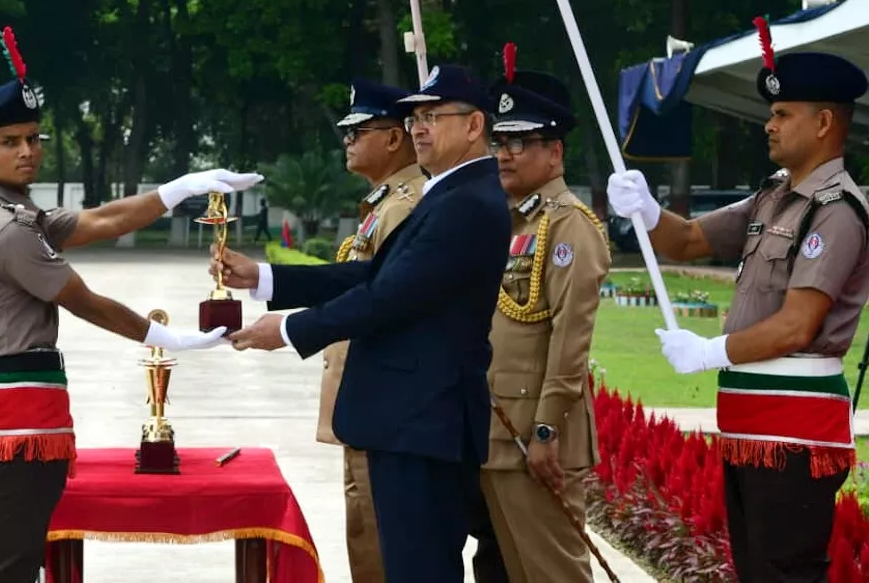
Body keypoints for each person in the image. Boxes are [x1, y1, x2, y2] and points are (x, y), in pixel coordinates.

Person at [0, 28, 263, 583]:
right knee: (10, 563)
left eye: (33, 137)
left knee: (12, 555)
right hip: (15, 410)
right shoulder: (0, 228)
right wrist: (168, 338)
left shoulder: (14, 211)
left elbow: (100, 221)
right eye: (9, 142)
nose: (27, 151)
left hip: (25, 403)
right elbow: (81, 300)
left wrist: (179, 188)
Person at [212, 63, 511, 582]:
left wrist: (287, 331)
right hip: (414, 420)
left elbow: (389, 296)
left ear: (474, 125)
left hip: (423, 419)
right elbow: (376, 271)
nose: (419, 127)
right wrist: (265, 279)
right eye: (416, 116)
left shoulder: (467, 203)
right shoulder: (450, 194)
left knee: (420, 570)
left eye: (433, 116)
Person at [608, 48, 869, 582]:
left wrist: (708, 351)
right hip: (750, 418)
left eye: (782, 114)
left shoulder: (837, 212)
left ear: (823, 123)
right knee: (755, 569)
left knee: (784, 572)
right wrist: (648, 209)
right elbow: (690, 239)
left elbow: (799, 325)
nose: (768, 126)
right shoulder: (773, 196)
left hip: (794, 429)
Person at [481, 60, 609, 583]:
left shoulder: (568, 225)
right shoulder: (507, 221)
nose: (505, 153)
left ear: (554, 152)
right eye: (500, 141)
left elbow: (569, 339)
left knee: (554, 574)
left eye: (522, 142)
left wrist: (545, 428)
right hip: (496, 431)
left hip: (535, 436)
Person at [318, 78, 428, 583]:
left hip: (383, 404)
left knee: (384, 543)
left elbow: (382, 302)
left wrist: (293, 324)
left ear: (394, 137)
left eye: (359, 130)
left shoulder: (405, 206)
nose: (348, 140)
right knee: (366, 539)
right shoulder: (382, 204)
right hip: (363, 402)